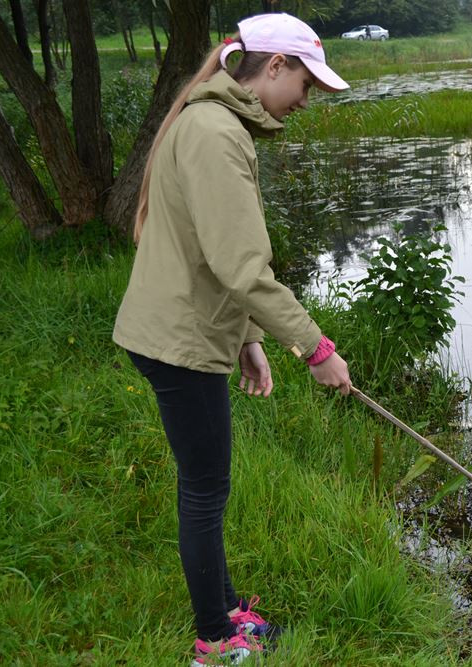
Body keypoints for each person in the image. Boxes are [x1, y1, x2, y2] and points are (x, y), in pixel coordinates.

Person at [113, 13, 352, 666]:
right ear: (273, 67)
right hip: (176, 340)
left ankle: (227, 608)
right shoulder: (216, 133)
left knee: (204, 480)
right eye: (306, 83)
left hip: (176, 329)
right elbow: (244, 267)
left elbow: (215, 251)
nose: (306, 100)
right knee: (205, 486)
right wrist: (316, 348)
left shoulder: (213, 123)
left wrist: (248, 336)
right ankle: (213, 639)